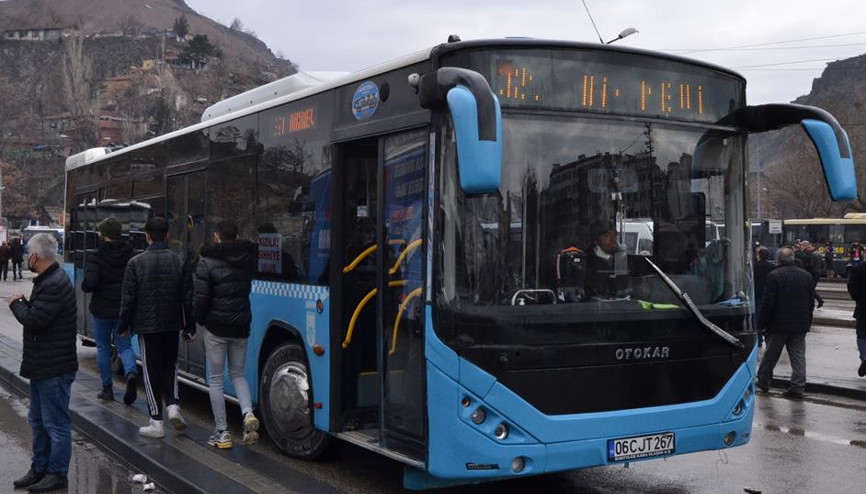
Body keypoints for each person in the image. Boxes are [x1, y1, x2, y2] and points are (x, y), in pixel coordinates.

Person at [8, 233, 77, 493]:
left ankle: (57, 473)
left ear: (35, 256)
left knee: (55, 424)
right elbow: (41, 315)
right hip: (43, 364)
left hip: (54, 367)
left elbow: (35, 320)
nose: (27, 256)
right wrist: (25, 304)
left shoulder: (54, 283)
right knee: (38, 421)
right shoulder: (49, 279)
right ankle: (39, 468)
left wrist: (16, 303)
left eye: (29, 252)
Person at [118, 217, 195, 438]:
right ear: (168, 235)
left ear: (147, 236)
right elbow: (188, 297)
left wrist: (123, 325)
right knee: (170, 365)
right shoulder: (179, 261)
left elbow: (128, 298)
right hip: (172, 323)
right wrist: (189, 326)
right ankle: (173, 405)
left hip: (147, 326)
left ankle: (156, 421)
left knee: (151, 370)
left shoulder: (135, 263)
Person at [194, 220, 260, 449]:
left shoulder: (206, 262)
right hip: (240, 327)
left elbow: (201, 299)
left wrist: (200, 320)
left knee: (215, 378)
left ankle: (222, 433)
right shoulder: (247, 260)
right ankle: (248, 413)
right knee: (238, 374)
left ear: (216, 237)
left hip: (216, 328)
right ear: (237, 236)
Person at [81, 217, 137, 403]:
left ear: (103, 235)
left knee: (103, 348)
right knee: (125, 346)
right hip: (124, 310)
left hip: (102, 310)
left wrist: (86, 284)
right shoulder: (131, 254)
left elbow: (90, 283)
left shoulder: (97, 255)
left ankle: (107, 389)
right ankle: (131, 373)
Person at [756, 246, 815, 398]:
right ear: (793, 259)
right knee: (798, 356)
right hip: (800, 323)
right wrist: (808, 321)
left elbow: (768, 302)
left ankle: (763, 381)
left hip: (778, 324)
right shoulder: (806, 276)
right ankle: (798, 387)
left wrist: (762, 323)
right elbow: (811, 302)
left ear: (778, 260)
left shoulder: (774, 276)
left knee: (771, 355)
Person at [585, 221, 625, 299]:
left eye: (614, 235)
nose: (613, 239)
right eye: (606, 236)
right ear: (595, 240)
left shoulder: (620, 259)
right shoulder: (587, 262)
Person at [846, 258, 866, 377]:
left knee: (862, 335)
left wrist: (859, 299)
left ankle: (864, 356)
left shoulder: (858, 269)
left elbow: (852, 288)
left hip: (863, 308)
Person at [753, 245, 774, 348]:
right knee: (769, 316)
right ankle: (768, 339)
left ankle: (759, 339)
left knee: (758, 317)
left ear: (759, 256)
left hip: (757, 293)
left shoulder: (754, 266)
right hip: (769, 294)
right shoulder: (772, 267)